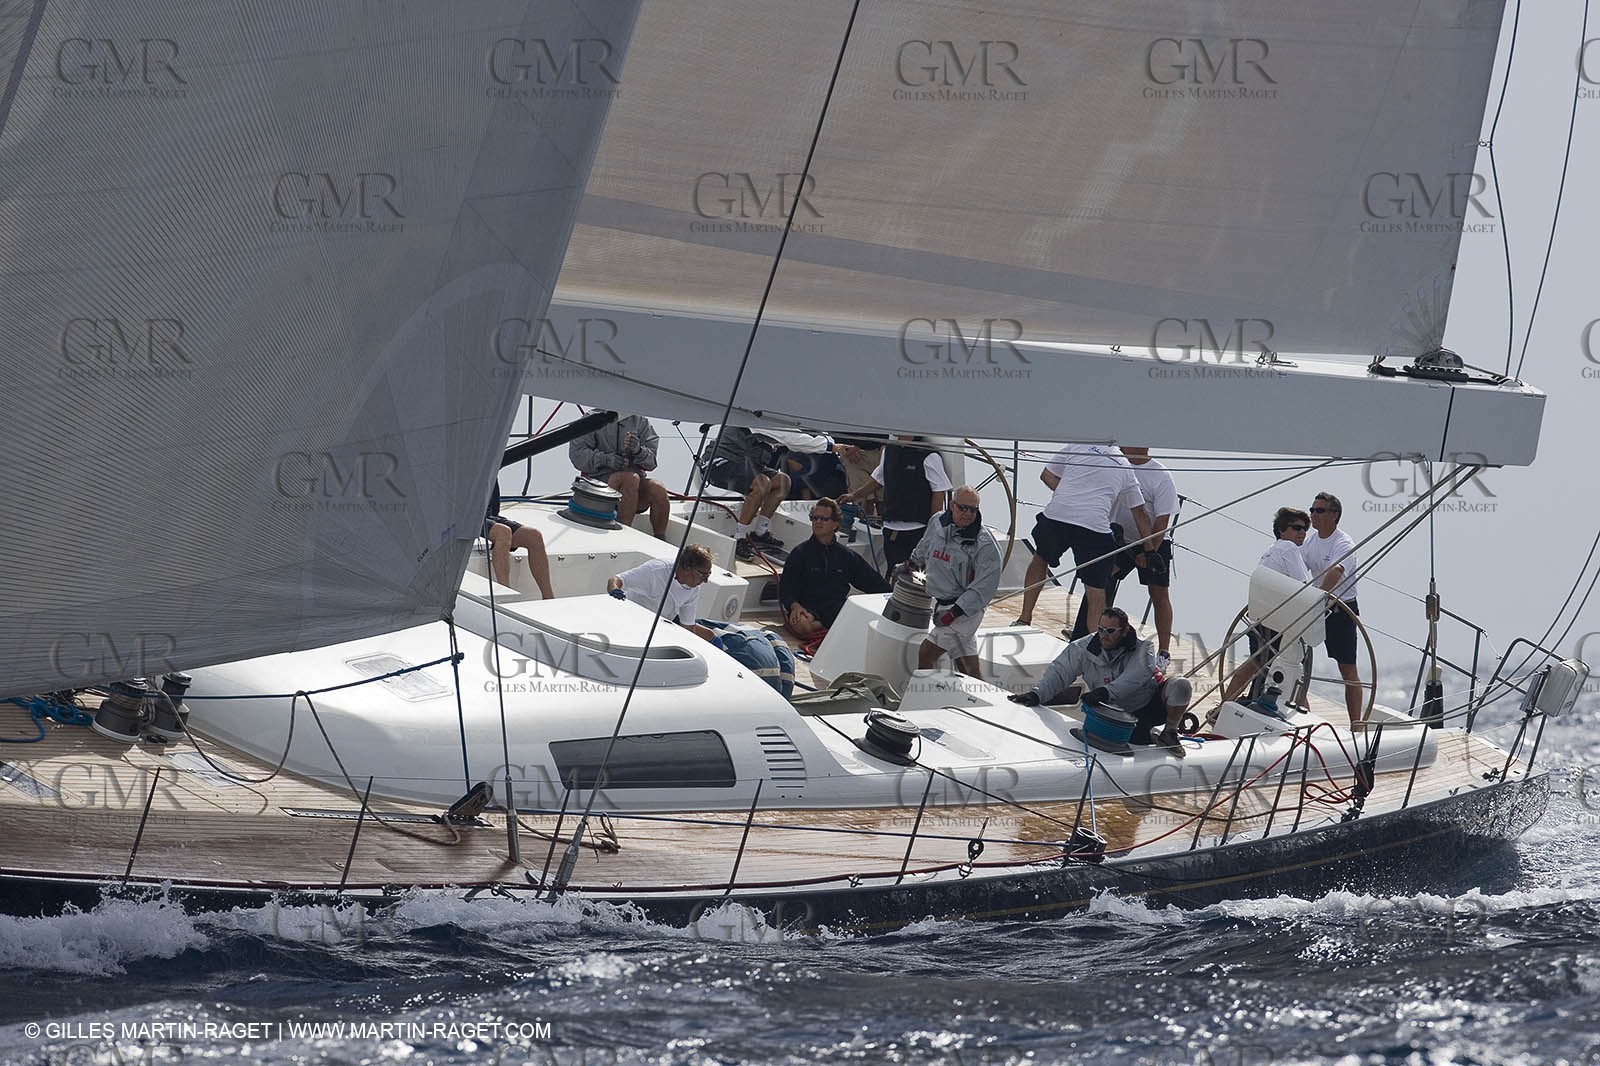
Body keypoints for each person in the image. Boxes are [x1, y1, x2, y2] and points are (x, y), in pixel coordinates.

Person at [1008, 607, 1191, 755]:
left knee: (1181, 686)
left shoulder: (1144, 648)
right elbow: (1060, 672)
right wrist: (1036, 694)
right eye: (1101, 629)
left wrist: (1105, 692)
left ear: (1125, 630)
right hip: (1111, 714)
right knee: (1137, 741)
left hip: (1146, 707)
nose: (1104, 635)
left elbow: (1136, 677)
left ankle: (1170, 732)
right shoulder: (1082, 648)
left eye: (1110, 631)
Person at [1015, 443, 1155, 634]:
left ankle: (1024, 618)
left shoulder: (1077, 445)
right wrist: (1150, 549)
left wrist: (1069, 494)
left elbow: (1046, 475)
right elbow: (1139, 512)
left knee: (1040, 559)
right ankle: (1092, 641)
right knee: (1096, 587)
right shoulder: (1125, 466)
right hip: (1093, 525)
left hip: (1059, 514)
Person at [1068, 446, 1177, 666]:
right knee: (1099, 581)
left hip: (1153, 542)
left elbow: (1162, 521)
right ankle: (1087, 634)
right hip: (1120, 540)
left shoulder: (1161, 476)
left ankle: (1163, 653)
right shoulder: (1116, 464)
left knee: (1158, 593)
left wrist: (1150, 551)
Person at [904, 485, 1002, 678]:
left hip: (964, 611)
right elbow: (925, 546)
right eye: (962, 508)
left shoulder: (985, 545)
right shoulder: (937, 522)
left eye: (973, 510)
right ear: (952, 505)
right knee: (967, 667)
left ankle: (925, 703)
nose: (967, 513)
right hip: (942, 604)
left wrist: (954, 613)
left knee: (926, 653)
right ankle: (981, 704)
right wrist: (912, 563)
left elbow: (983, 588)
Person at [1219, 507, 1313, 706]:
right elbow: (1304, 587)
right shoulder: (1289, 549)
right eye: (1297, 528)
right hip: (1276, 624)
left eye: (1305, 529)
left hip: (1260, 619)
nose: (1302, 533)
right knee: (1288, 672)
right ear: (1282, 530)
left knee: (1256, 665)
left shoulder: (1271, 551)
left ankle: (1226, 704)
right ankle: (1304, 720)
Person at [778, 497, 892, 639]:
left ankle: (823, 625)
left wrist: (894, 597)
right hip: (807, 608)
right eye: (815, 518)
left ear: (835, 524)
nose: (818, 522)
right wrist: (794, 606)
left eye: (824, 519)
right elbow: (786, 588)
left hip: (835, 608)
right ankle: (827, 626)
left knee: (861, 622)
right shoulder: (799, 553)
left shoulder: (846, 556)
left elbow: (873, 582)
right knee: (803, 626)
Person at [841, 434, 951, 576]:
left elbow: (939, 491)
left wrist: (933, 527)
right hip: (891, 527)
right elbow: (878, 479)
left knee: (916, 576)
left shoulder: (928, 455)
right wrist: (854, 495)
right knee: (893, 572)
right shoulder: (889, 450)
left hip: (918, 529)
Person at [1302, 492, 1366, 728]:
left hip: (1340, 610)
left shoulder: (1343, 543)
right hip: (1315, 607)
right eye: (1312, 510)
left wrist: (1317, 597)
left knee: (1347, 669)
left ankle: (1356, 724)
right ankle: (1301, 713)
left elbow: (1335, 572)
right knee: (1295, 661)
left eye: (1319, 511)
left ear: (1334, 516)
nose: (1313, 515)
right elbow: (1298, 568)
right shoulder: (1310, 542)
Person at [569, 413, 670, 538]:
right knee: (629, 479)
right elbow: (577, 455)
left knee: (657, 488)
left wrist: (638, 450)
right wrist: (606, 459)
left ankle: (661, 539)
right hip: (599, 488)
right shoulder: (592, 418)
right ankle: (622, 536)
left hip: (635, 487)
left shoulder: (641, 422)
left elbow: (652, 463)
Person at [703, 426, 791, 561]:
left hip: (749, 465)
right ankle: (739, 537)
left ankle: (760, 532)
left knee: (783, 481)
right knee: (762, 483)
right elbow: (791, 438)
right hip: (720, 463)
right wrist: (829, 446)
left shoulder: (774, 425)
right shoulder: (758, 420)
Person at [606, 545, 718, 641]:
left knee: (711, 636)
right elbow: (616, 580)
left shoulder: (694, 587)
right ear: (687, 569)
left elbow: (687, 627)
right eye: (704, 575)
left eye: (709, 575)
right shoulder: (655, 570)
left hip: (661, 624)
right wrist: (615, 591)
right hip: (631, 619)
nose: (706, 581)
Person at [483, 484, 553, 599]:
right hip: (467, 517)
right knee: (503, 533)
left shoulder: (488, 465)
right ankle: (505, 595)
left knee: (534, 536)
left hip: (490, 516)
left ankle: (548, 598)